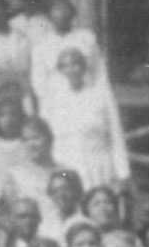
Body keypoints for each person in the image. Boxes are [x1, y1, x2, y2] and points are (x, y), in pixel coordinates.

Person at [41, 46, 131, 192]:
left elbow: (116, 135)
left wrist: (123, 172)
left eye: (75, 64)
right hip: (65, 166)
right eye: (65, 66)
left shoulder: (100, 95)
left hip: (98, 166)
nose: (71, 70)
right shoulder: (53, 99)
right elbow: (45, 135)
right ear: (60, 70)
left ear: (84, 67)